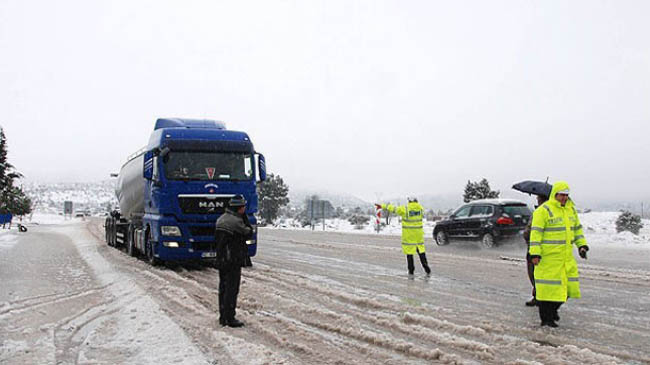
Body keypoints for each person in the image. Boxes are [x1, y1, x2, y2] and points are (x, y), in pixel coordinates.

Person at [529, 181, 589, 327]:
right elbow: (536, 234)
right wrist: (535, 254)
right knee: (547, 291)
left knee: (567, 289)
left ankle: (553, 311)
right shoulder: (543, 211)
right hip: (548, 259)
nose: (564, 198)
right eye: (561, 195)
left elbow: (577, 230)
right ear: (555, 194)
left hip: (566, 258)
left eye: (566, 195)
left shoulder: (570, 210)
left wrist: (582, 246)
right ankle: (546, 319)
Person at [215, 194, 253, 327]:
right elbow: (248, 232)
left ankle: (222, 316)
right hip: (232, 259)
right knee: (232, 289)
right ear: (239, 208)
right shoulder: (236, 222)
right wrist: (245, 218)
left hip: (222, 258)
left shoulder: (221, 219)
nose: (245, 209)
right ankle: (230, 318)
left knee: (223, 288)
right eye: (243, 207)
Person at [376, 197, 431, 276]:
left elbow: (393, 209)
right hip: (418, 235)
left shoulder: (405, 209)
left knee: (409, 253)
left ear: (409, 201)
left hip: (409, 235)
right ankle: (426, 268)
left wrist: (383, 206)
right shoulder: (420, 209)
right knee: (421, 251)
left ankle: (411, 270)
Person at [522, 193, 549, 307]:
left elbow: (531, 231)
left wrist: (525, 234)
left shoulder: (540, 213)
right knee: (541, 273)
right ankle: (540, 295)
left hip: (535, 247)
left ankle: (539, 296)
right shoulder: (552, 212)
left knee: (534, 273)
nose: (536, 199)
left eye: (538, 197)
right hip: (546, 248)